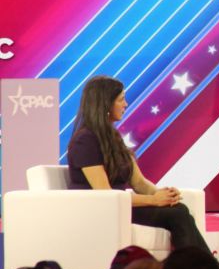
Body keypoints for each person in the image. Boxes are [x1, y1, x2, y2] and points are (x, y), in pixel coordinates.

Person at [67, 75, 210, 253]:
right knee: (177, 213)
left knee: (178, 208)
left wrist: (162, 194)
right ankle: (201, 266)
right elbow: (105, 193)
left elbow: (139, 182)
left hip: (121, 206)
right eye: (121, 100)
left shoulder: (113, 137)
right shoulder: (85, 140)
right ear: (105, 104)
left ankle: (201, 265)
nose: (126, 104)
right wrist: (153, 200)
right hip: (101, 210)